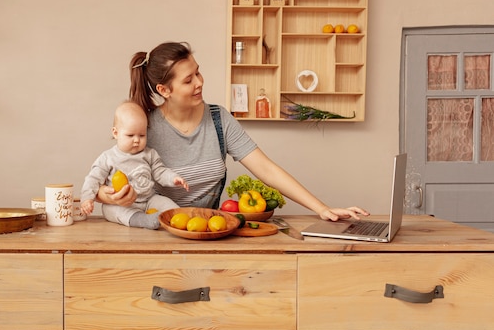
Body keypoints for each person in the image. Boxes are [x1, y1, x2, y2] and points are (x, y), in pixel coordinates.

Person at [97, 41, 368, 222]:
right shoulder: (146, 128)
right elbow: (107, 174)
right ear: (164, 90)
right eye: (188, 80)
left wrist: (322, 208)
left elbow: (266, 169)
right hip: (157, 234)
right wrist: (103, 194)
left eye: (198, 73)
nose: (200, 83)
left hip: (208, 231)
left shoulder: (218, 119)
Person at [81, 100, 189, 229]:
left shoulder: (149, 154)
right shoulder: (108, 158)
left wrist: (173, 178)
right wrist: (87, 199)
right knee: (111, 210)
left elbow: (160, 171)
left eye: (142, 135)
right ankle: (143, 220)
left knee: (166, 203)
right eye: (130, 135)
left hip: (148, 199)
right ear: (116, 133)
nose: (137, 140)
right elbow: (93, 179)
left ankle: (180, 217)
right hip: (121, 205)